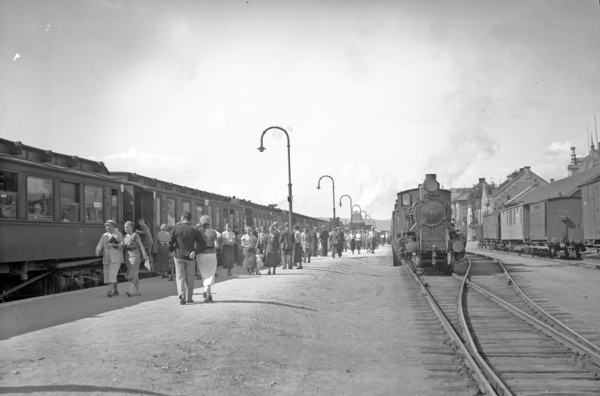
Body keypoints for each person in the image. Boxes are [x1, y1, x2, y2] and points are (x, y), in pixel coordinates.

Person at [169, 211, 207, 305]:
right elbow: (203, 244)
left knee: (180, 276)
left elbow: (170, 241)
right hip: (190, 256)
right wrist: (195, 251)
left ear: (182, 218)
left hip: (178, 256)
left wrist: (172, 250)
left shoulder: (176, 228)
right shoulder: (194, 230)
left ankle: (182, 295)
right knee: (190, 277)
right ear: (190, 219)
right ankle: (189, 298)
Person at [95, 219, 124, 297]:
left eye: (108, 225)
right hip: (107, 258)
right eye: (105, 226)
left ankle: (110, 291)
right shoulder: (104, 235)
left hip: (116, 258)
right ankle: (116, 290)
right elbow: (100, 243)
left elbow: (122, 243)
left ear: (112, 226)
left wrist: (117, 245)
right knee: (109, 274)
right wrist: (98, 249)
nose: (106, 227)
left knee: (112, 274)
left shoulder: (118, 234)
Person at [121, 221, 148, 297]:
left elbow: (141, 246)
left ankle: (129, 290)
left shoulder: (135, 235)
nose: (126, 229)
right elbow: (122, 245)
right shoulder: (125, 236)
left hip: (135, 255)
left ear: (132, 227)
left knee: (132, 273)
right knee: (134, 273)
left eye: (127, 227)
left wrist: (144, 254)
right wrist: (115, 245)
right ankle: (138, 291)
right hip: (127, 256)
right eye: (125, 227)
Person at [196, 215, 218, 303]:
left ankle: (209, 295)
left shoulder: (198, 232)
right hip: (211, 254)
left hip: (201, 254)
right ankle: (206, 291)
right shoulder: (213, 232)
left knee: (204, 274)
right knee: (211, 273)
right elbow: (217, 245)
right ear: (209, 222)